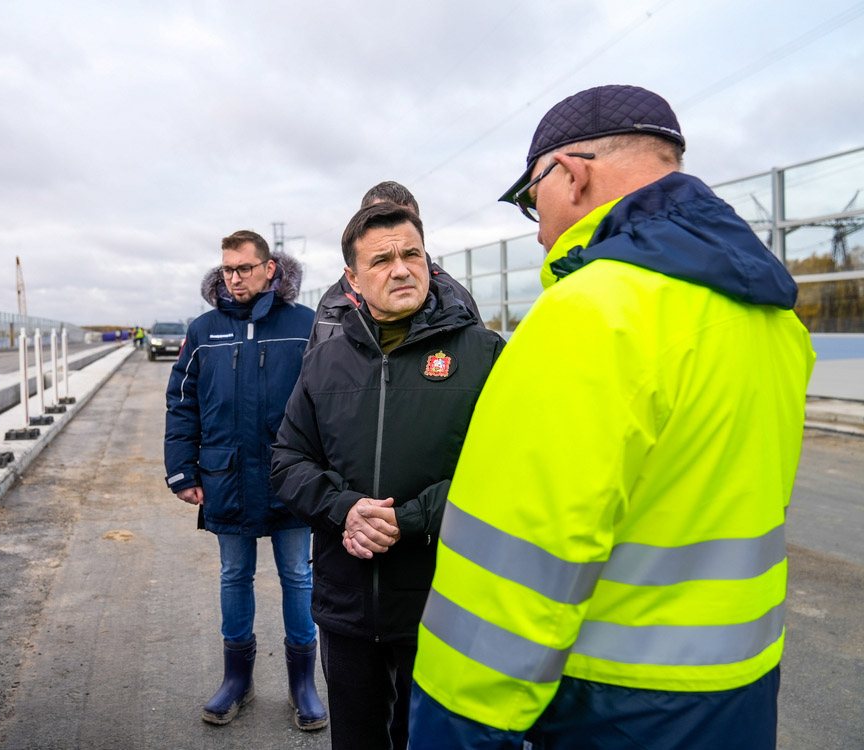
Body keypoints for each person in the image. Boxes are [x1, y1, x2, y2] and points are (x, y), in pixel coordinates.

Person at [408, 85, 815, 749]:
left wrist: (451, 730)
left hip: (609, 708)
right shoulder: (773, 321)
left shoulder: (590, 313)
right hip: (740, 694)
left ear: (569, 172)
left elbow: (512, 574)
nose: (536, 228)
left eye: (528, 196)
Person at [270, 202, 505, 749]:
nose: (401, 268)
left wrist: (410, 518)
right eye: (381, 260)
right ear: (352, 279)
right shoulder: (324, 362)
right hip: (347, 604)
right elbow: (287, 460)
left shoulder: (484, 354)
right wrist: (345, 509)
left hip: (443, 603)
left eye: (412, 254)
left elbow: (506, 471)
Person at [164, 230, 326, 730]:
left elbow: (330, 400)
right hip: (225, 477)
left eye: (245, 268)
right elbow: (182, 401)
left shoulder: (305, 325)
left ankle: (304, 685)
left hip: (291, 477)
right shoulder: (203, 329)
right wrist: (182, 470)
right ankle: (238, 679)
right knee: (234, 575)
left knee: (298, 576)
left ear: (269, 269)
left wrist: (329, 471)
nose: (234, 278)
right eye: (227, 269)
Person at [309, 181, 482, 349]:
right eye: (381, 219)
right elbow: (315, 369)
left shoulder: (454, 296)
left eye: (402, 220)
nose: (400, 271)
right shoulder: (332, 301)